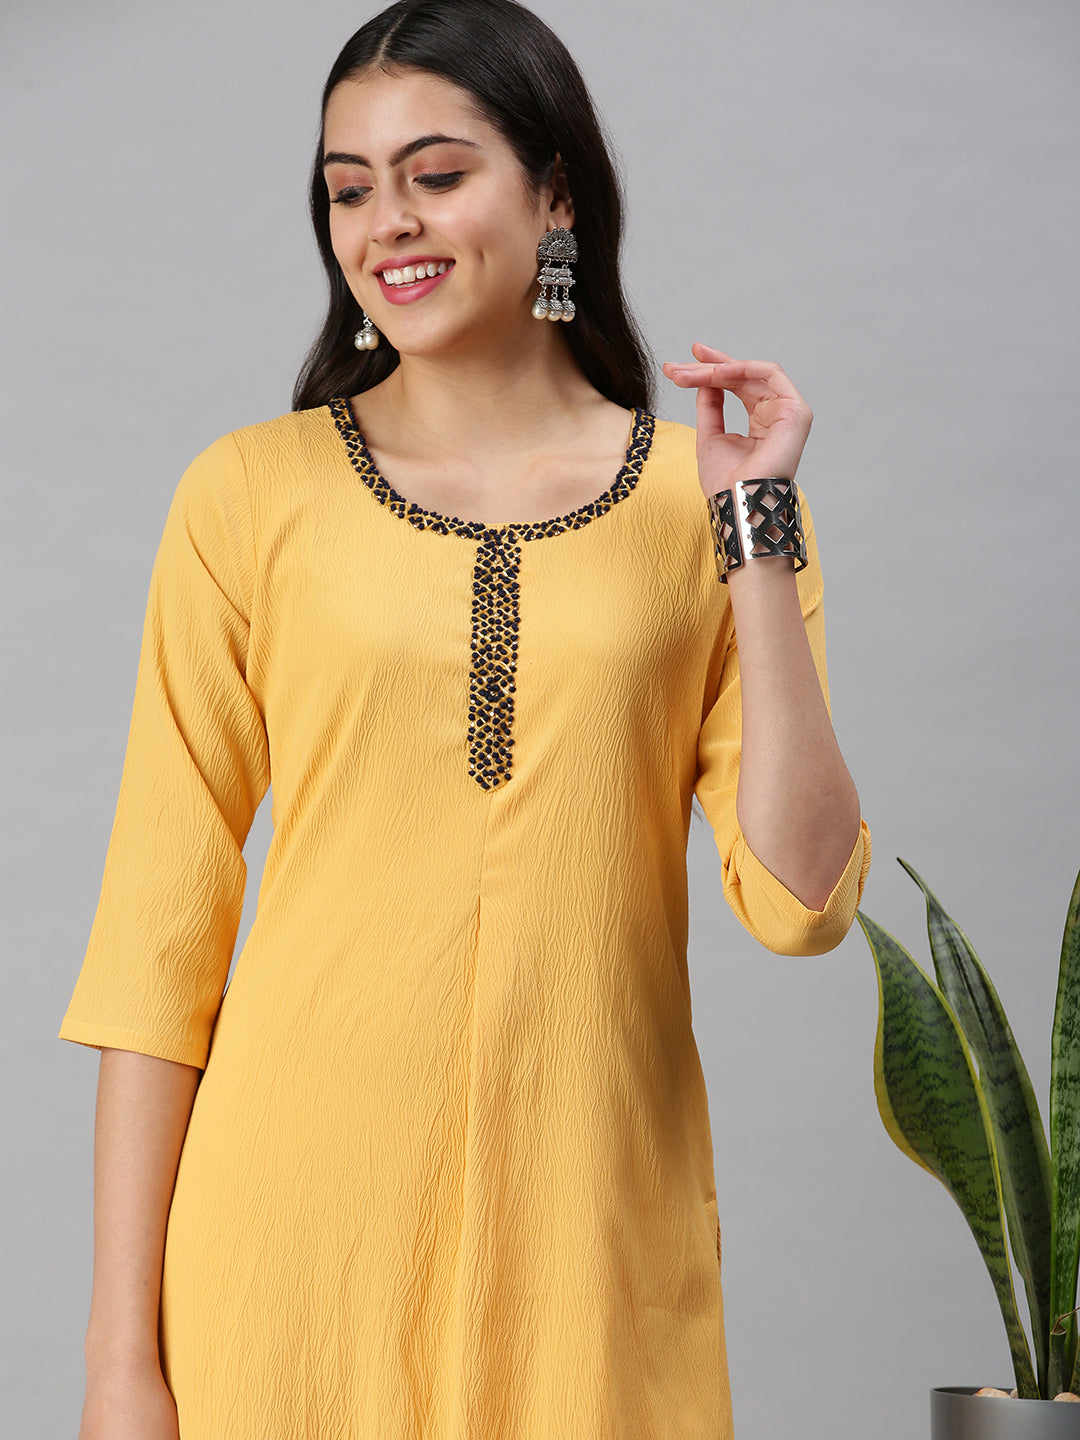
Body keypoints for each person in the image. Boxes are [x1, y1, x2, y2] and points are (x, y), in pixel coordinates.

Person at [58, 1, 871, 1436]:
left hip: (590, 1256)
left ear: (556, 195)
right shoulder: (249, 496)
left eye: (436, 175)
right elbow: (154, 946)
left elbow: (803, 902)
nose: (388, 224)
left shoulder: (704, 503)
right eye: (348, 189)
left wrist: (756, 523)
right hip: (289, 1251)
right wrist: (121, 1362)